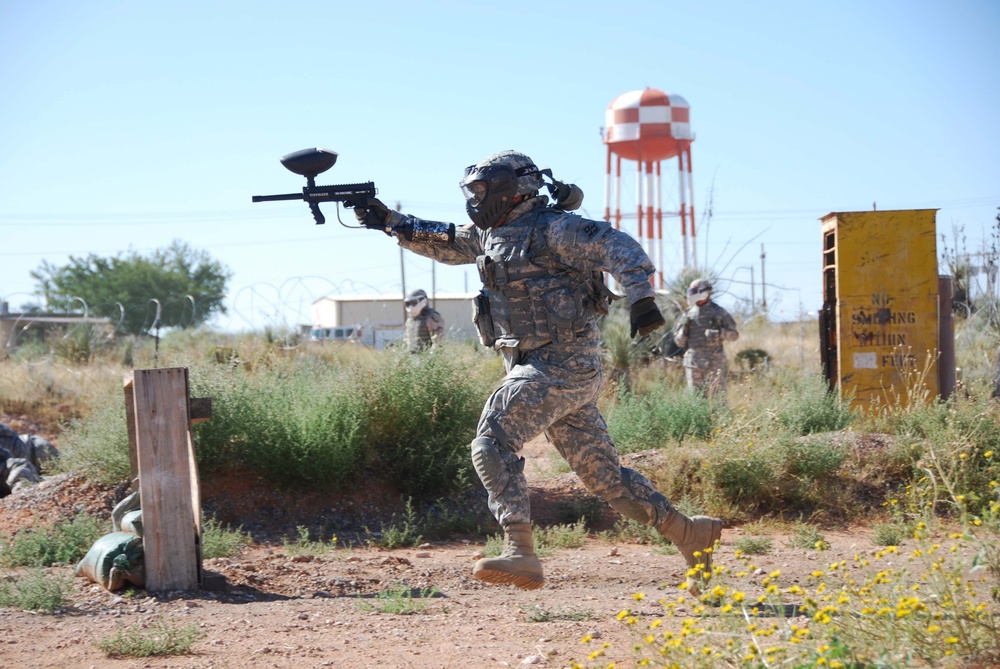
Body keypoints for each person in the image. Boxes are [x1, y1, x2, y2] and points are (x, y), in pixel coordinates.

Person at [355, 150, 722, 593]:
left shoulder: (555, 228)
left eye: (483, 188)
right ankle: (690, 534)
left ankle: (520, 552)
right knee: (609, 482)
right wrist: (387, 219)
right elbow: (446, 239)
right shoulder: (489, 235)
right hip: (554, 370)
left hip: (560, 365)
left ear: (513, 188)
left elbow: (616, 244)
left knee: (491, 440)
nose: (476, 198)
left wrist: (642, 295)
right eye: (473, 190)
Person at [673, 278, 739, 398]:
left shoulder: (718, 312)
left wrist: (719, 333)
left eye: (694, 291)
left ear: (705, 292)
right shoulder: (687, 314)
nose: (691, 294)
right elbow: (678, 342)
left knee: (718, 399)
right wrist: (684, 331)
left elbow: (734, 336)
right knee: (696, 400)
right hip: (693, 364)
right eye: (691, 291)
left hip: (714, 363)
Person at [403, 288, 445, 353]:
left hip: (425, 358)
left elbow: (438, 341)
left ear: (422, 301)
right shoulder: (410, 320)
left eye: (413, 303)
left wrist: (430, 358)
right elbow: (406, 341)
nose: (411, 306)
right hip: (411, 358)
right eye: (408, 303)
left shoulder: (432, 317)